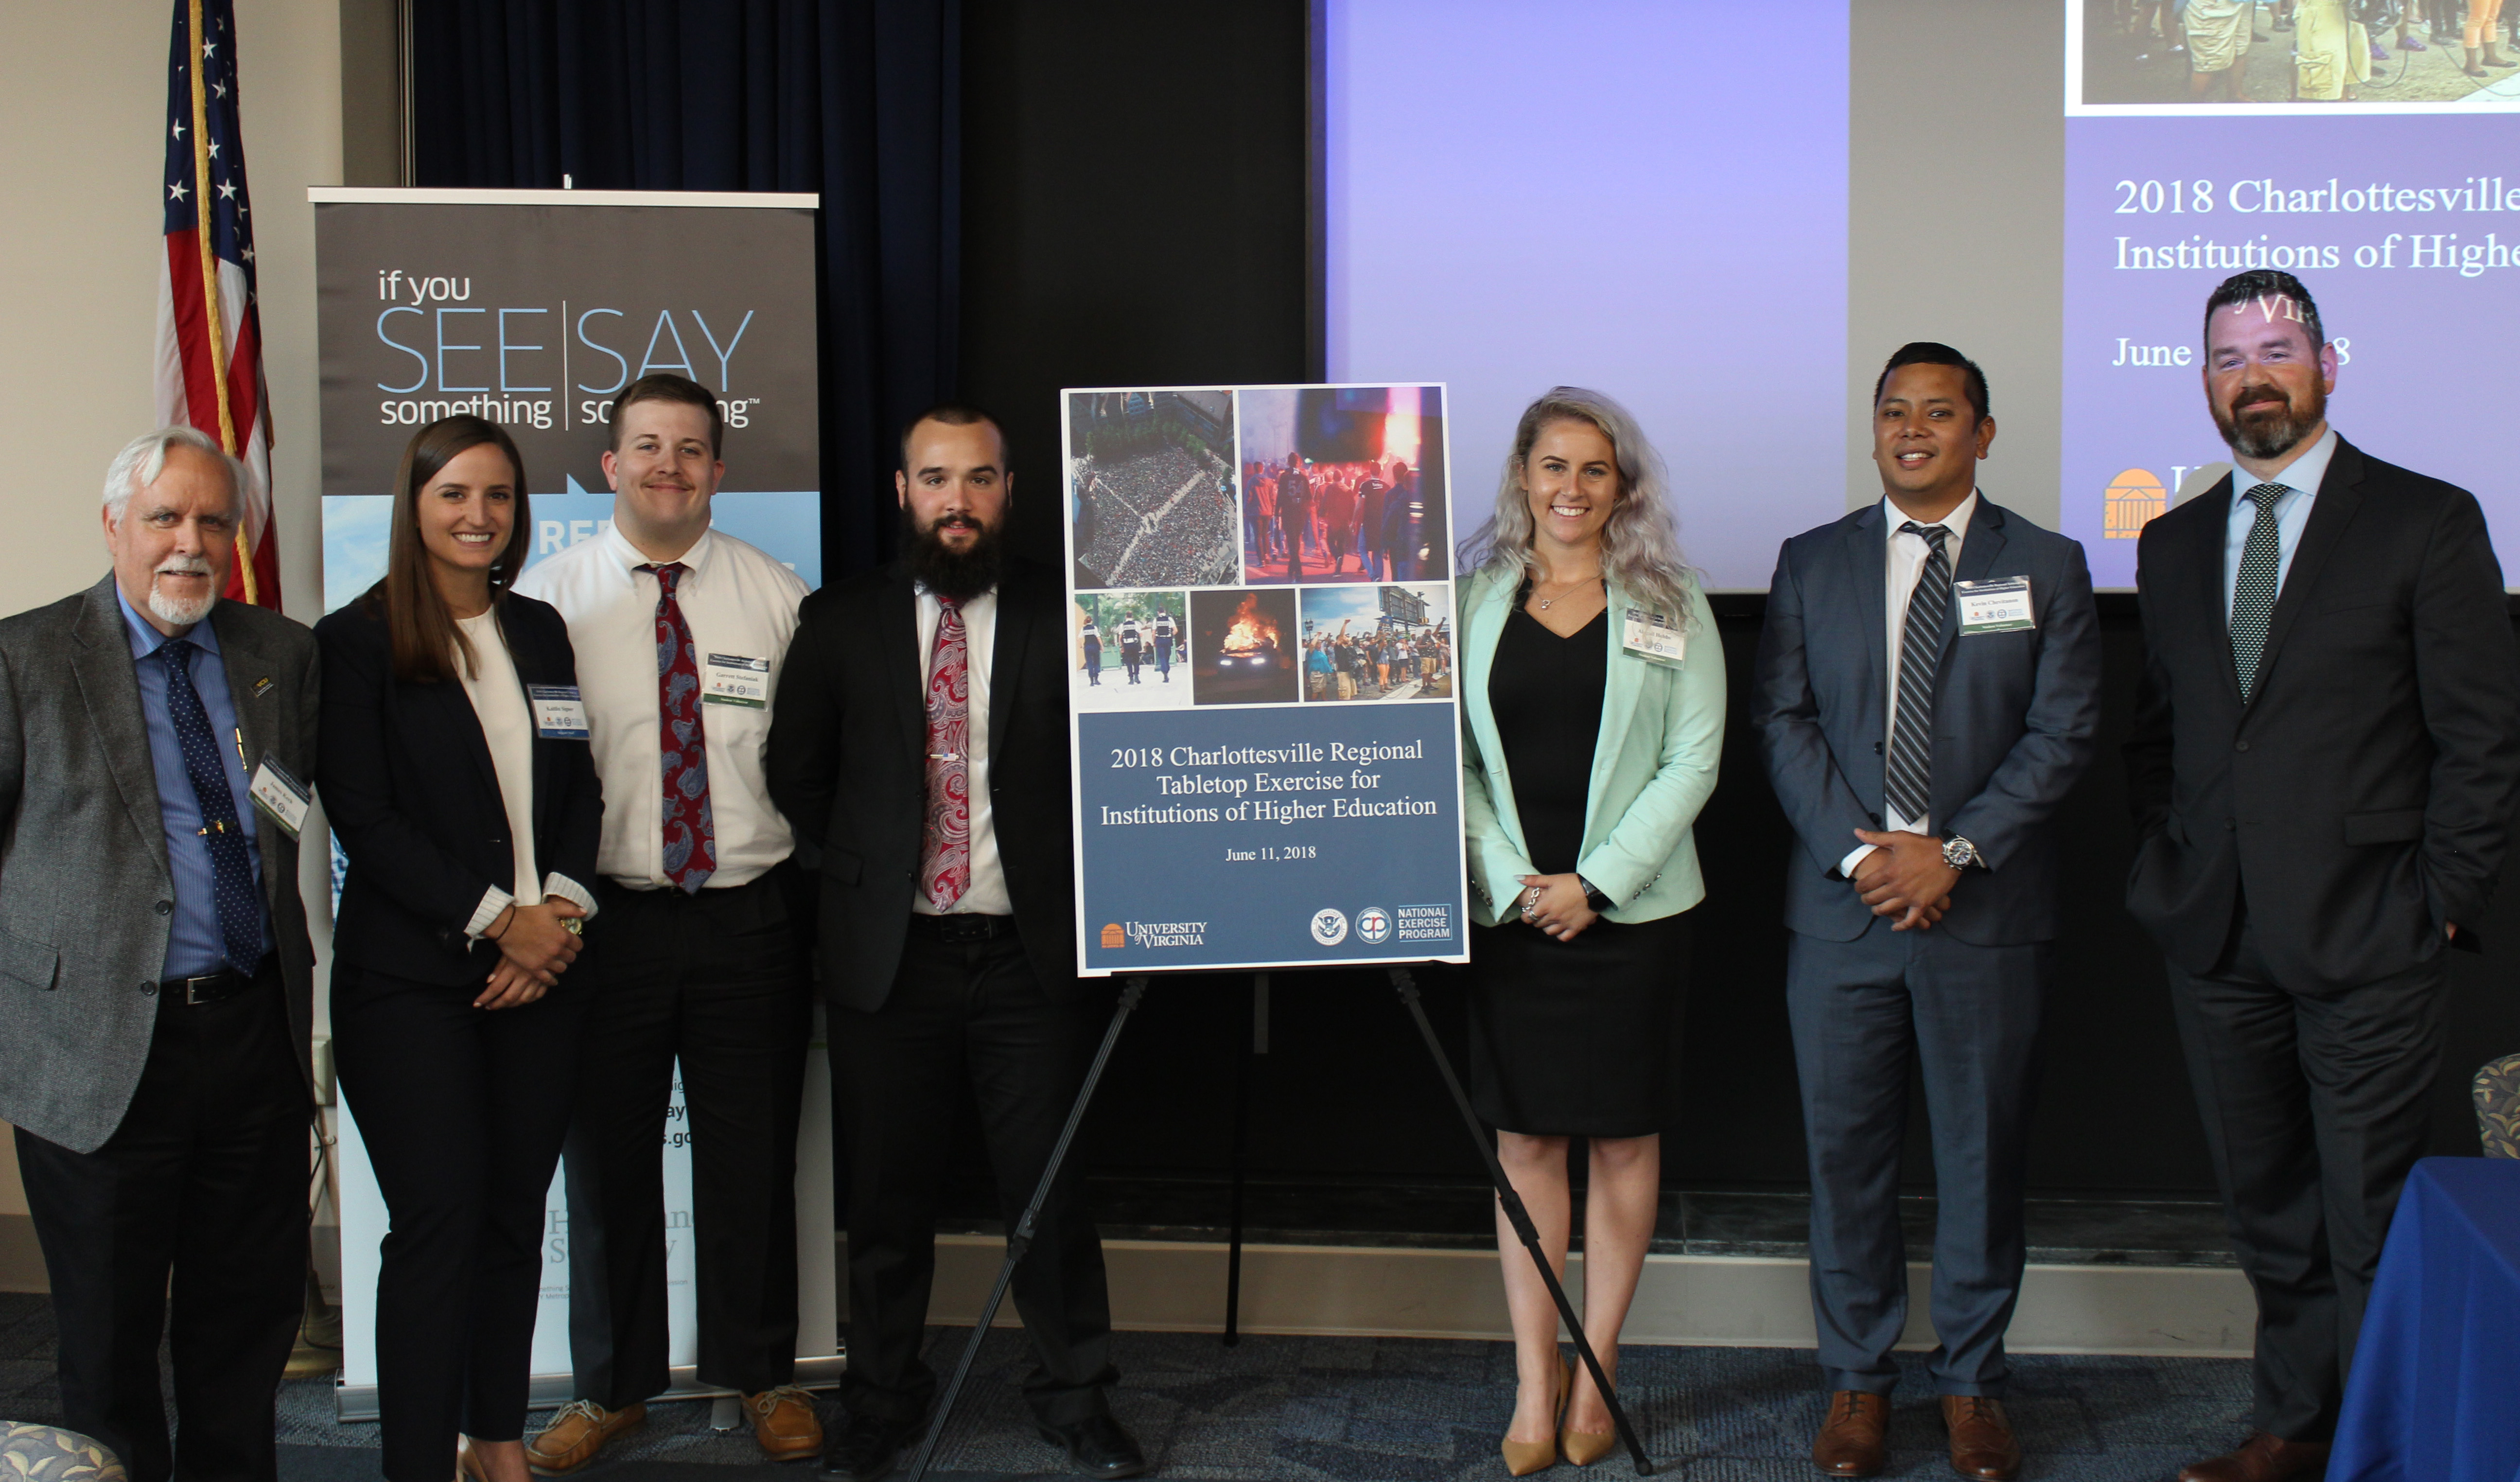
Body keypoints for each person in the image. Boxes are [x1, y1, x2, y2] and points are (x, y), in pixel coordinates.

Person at [2125, 270, 2520, 1482]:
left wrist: (2437, 901)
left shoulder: (2423, 518)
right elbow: (2163, 735)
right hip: (2217, 937)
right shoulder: (2174, 540)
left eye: (2277, 347)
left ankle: (2383, 1445)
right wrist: (2172, 868)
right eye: (2227, 354)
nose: (2252, 371)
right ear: (2203, 381)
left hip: (2371, 937)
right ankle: (2296, 1427)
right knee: (2267, 1209)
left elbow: (2481, 735)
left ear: (2326, 364)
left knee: (2369, 1215)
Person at [769, 406, 1145, 1482]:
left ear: (1010, 489)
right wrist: (864, 879)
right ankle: (882, 1404)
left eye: (979, 478)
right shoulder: (838, 620)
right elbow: (799, 774)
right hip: (892, 960)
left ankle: (1077, 1401)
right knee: (886, 1204)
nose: (958, 500)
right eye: (936, 478)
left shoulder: (1067, 613)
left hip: (1032, 957)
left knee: (1052, 1197)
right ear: (902, 492)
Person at [1752, 344, 2101, 1482]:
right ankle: (1856, 1383)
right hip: (1845, 912)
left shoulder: (2045, 564)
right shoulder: (1811, 562)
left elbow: (2062, 735)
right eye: (1892, 411)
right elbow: (1784, 721)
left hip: (1983, 915)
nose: (1912, 429)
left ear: (1982, 433)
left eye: (1938, 412)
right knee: (1843, 1158)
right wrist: (1866, 859)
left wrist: (1952, 850)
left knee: (1980, 1158)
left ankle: (1971, 1387)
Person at [0, 427, 319, 1482]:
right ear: (114, 528)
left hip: (250, 1037)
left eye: (213, 520)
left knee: (243, 1329)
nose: (190, 543)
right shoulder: (24, 658)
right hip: (93, 1054)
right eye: (165, 518)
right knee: (104, 1340)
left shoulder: (280, 655)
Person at [514, 374, 821, 1468]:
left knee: (750, 1160)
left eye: (691, 450)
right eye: (647, 447)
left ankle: (761, 1373)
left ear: (718, 472)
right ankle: (611, 1388)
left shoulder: (779, 596)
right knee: (605, 1166)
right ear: (609, 466)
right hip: (608, 922)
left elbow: (814, 763)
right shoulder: (547, 604)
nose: (669, 468)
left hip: (749, 917)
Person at [315, 417, 603, 1482]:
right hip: (414, 988)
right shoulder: (354, 642)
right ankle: (417, 1462)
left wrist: (558, 919)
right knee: (437, 1225)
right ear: (415, 506)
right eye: (454, 495)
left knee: (515, 1220)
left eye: (498, 496)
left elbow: (583, 788)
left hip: (546, 976)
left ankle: (494, 1439)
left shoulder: (539, 630)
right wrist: (500, 919)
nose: (479, 516)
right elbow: (366, 818)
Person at [1457, 388, 1725, 1478]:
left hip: (1635, 921)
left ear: (1625, 488)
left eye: (1595, 471)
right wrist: (1520, 881)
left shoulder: (1671, 600)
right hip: (1515, 916)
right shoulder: (1474, 600)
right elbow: (1453, 763)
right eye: (1553, 466)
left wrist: (1598, 885)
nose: (1572, 489)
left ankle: (1596, 1361)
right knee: (1524, 1146)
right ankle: (1534, 1377)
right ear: (1523, 475)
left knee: (1621, 1140)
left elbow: (1694, 761)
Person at [2184, 0, 2254, 98]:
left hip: (2245, 3)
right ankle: (2194, 111)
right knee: (2207, 63)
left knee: (2240, 50)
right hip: (2212, 5)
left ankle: (2236, 97)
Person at [1278, 457, 1311, 582]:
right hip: (1300, 513)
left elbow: (1280, 495)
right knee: (1295, 541)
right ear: (1297, 463)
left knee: (1292, 542)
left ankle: (1298, 572)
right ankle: (1292, 570)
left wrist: (1277, 513)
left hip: (1288, 512)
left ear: (1288, 462)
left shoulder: (1284, 476)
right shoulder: (1303, 476)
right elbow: (1309, 496)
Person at [1153, 607, 1177, 682]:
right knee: (1167, 657)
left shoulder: (1156, 620)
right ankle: (1167, 670)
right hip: (1168, 640)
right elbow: (1176, 630)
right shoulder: (1170, 619)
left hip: (1159, 640)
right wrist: (1171, 635)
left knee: (1162, 658)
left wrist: (1154, 642)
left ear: (1158, 612)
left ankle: (1165, 674)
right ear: (1165, 611)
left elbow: (1153, 633)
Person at [1118, 615, 1144, 684]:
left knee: (1129, 662)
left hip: (1127, 645)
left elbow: (1120, 637)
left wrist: (1122, 647)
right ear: (1132, 617)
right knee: (1136, 661)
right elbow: (1141, 635)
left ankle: (1131, 679)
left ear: (1126, 617)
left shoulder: (1123, 625)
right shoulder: (1135, 624)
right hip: (1135, 644)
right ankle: (1136, 677)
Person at [1080, 609, 1104, 685]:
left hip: (1087, 647)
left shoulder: (1083, 629)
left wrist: (1081, 645)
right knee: (1096, 662)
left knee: (1090, 663)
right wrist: (1102, 646)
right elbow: (1098, 638)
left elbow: (1079, 638)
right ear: (1092, 621)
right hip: (1095, 647)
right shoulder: (1094, 628)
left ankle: (1091, 682)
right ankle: (1096, 679)